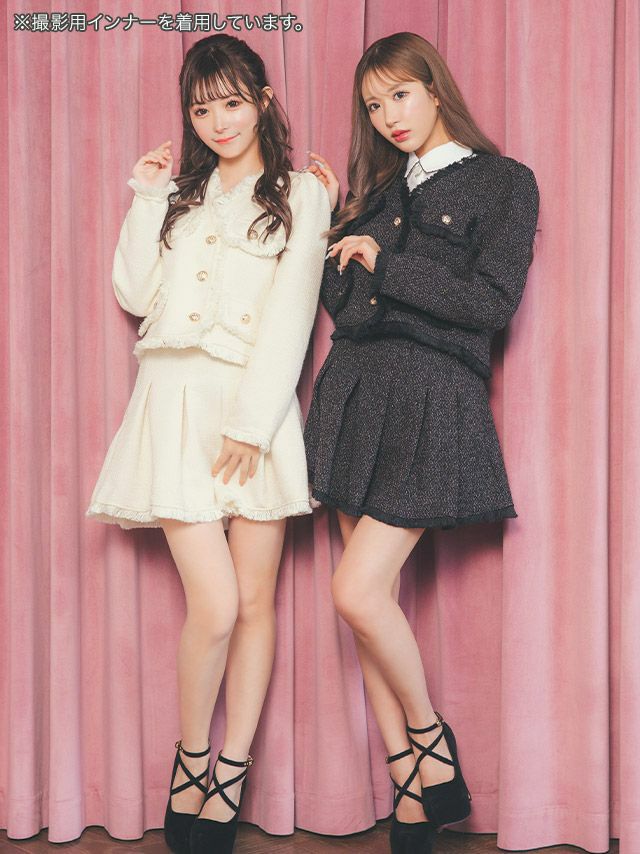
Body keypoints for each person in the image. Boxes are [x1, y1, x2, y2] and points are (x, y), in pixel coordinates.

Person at [86, 33, 329, 854]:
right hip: (172, 402)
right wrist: (146, 195)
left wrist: (253, 426)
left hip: (252, 409)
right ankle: (192, 757)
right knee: (216, 606)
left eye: (231, 102)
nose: (218, 122)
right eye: (201, 109)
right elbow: (134, 292)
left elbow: (295, 310)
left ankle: (230, 772)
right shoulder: (179, 195)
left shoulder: (301, 192)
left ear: (262, 100)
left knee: (255, 604)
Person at [304, 31, 539, 854]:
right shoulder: (373, 196)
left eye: (399, 94)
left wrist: (385, 265)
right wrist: (331, 225)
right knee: (370, 610)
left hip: (433, 396)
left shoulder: (505, 182)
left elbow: (491, 302)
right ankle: (412, 788)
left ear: (435, 88)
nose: (388, 116)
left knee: (357, 593)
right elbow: (345, 310)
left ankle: (433, 747)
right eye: (373, 105)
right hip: (353, 394)